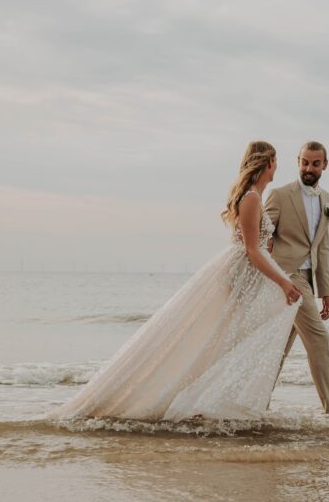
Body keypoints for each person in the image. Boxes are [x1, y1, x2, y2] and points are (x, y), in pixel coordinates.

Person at [46, 141, 303, 422]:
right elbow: (253, 251)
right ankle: (204, 400)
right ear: (268, 163)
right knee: (225, 340)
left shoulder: (253, 196)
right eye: (275, 161)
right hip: (244, 274)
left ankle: (221, 399)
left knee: (228, 339)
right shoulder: (252, 198)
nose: (277, 167)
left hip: (248, 274)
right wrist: (283, 282)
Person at [264, 141, 329, 414]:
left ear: (324, 166)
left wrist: (326, 291)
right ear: (298, 161)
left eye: (315, 164)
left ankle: (257, 402)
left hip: (308, 277)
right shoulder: (279, 195)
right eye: (305, 162)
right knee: (319, 338)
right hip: (288, 275)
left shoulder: (327, 199)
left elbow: (323, 246)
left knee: (280, 347)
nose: (309, 168)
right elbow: (263, 233)